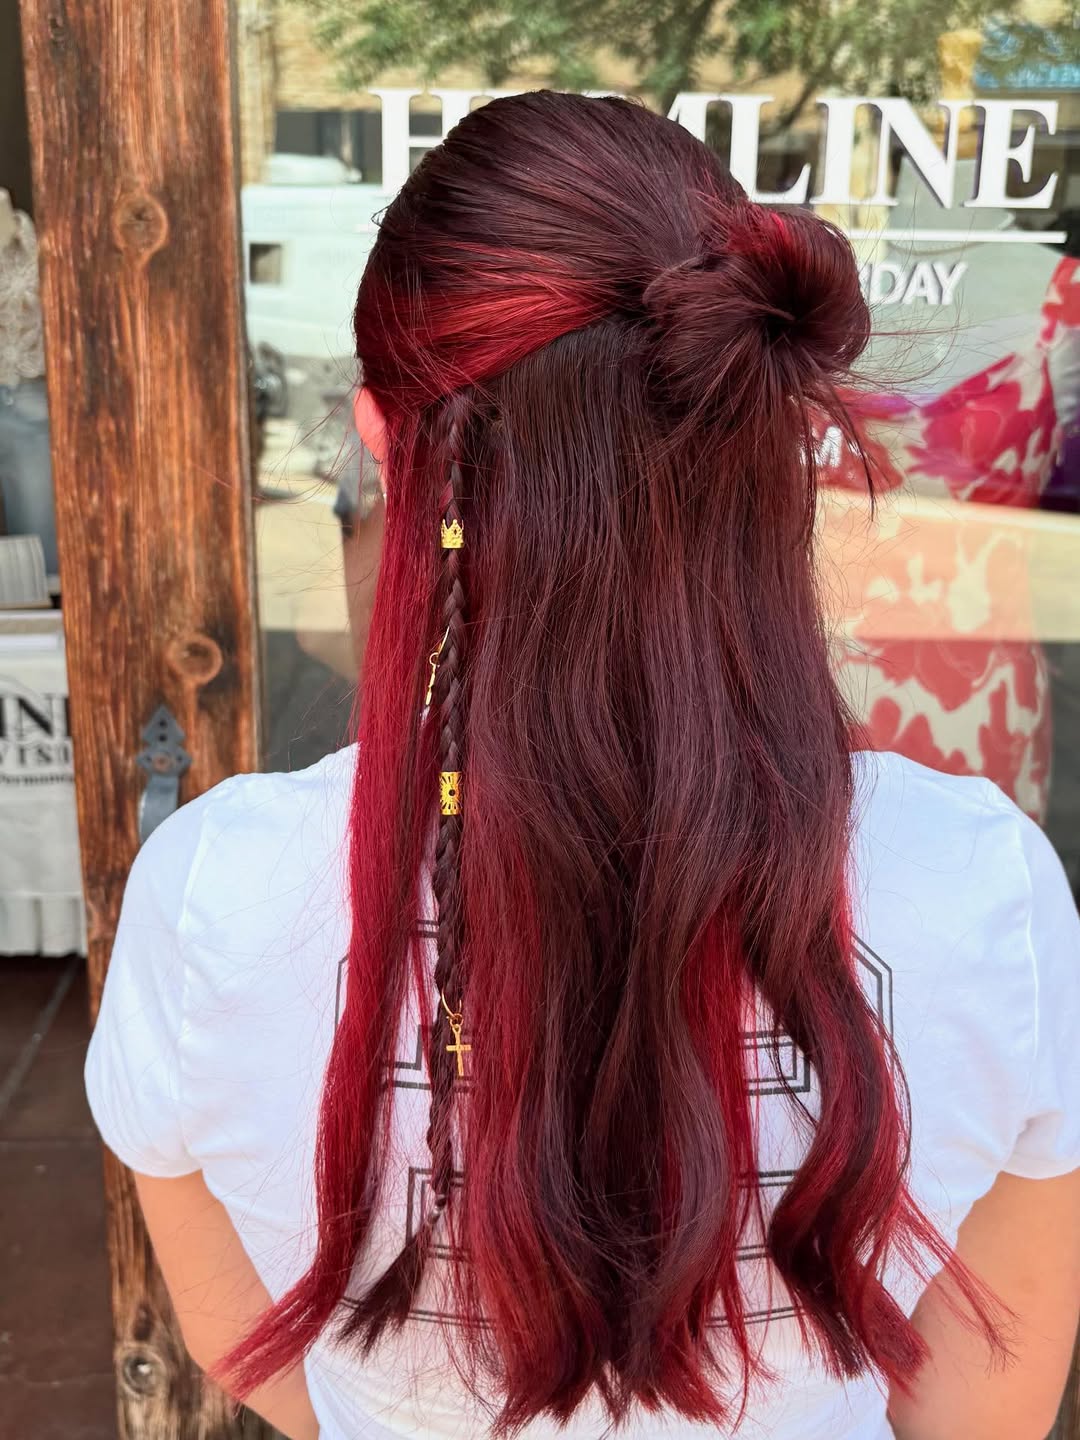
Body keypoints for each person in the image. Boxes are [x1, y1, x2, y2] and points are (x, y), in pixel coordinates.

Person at [84, 92, 1080, 1440]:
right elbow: (984, 1413)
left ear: (379, 443)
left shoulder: (210, 899)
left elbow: (270, 1364)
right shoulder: (987, 898)